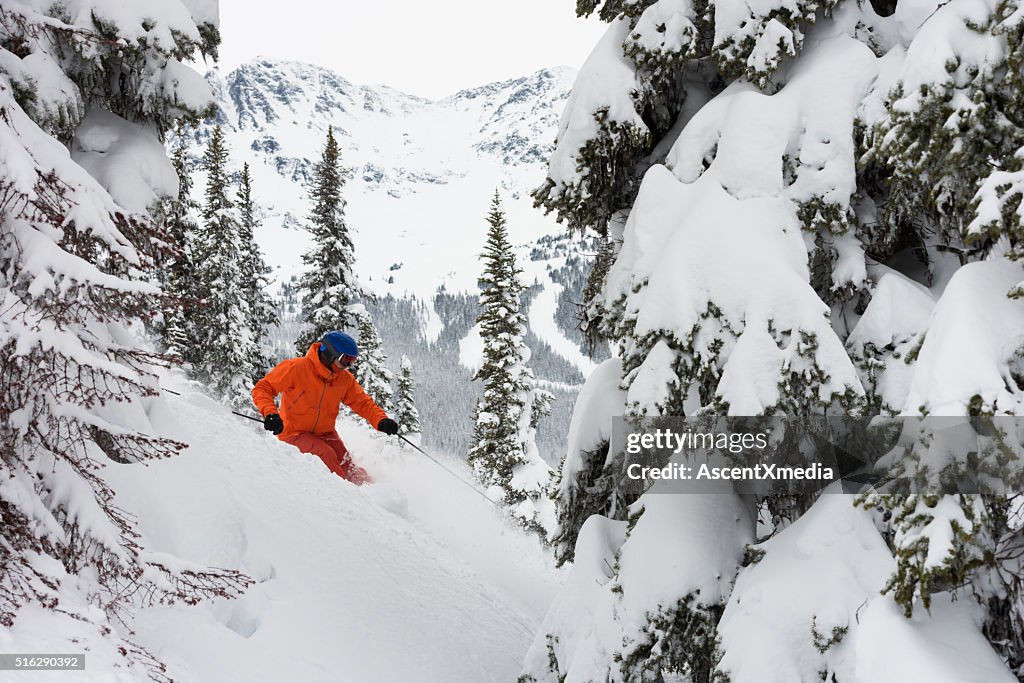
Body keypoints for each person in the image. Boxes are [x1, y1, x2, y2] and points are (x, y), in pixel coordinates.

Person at [252, 330, 400, 485]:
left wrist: (381, 420)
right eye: (345, 360)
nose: (348, 366)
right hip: (293, 433)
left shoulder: (343, 379)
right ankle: (349, 501)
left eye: (352, 361)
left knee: (349, 468)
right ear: (330, 354)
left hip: (325, 433)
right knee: (327, 456)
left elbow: (362, 403)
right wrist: (270, 413)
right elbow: (263, 388)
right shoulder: (297, 368)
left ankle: (378, 496)